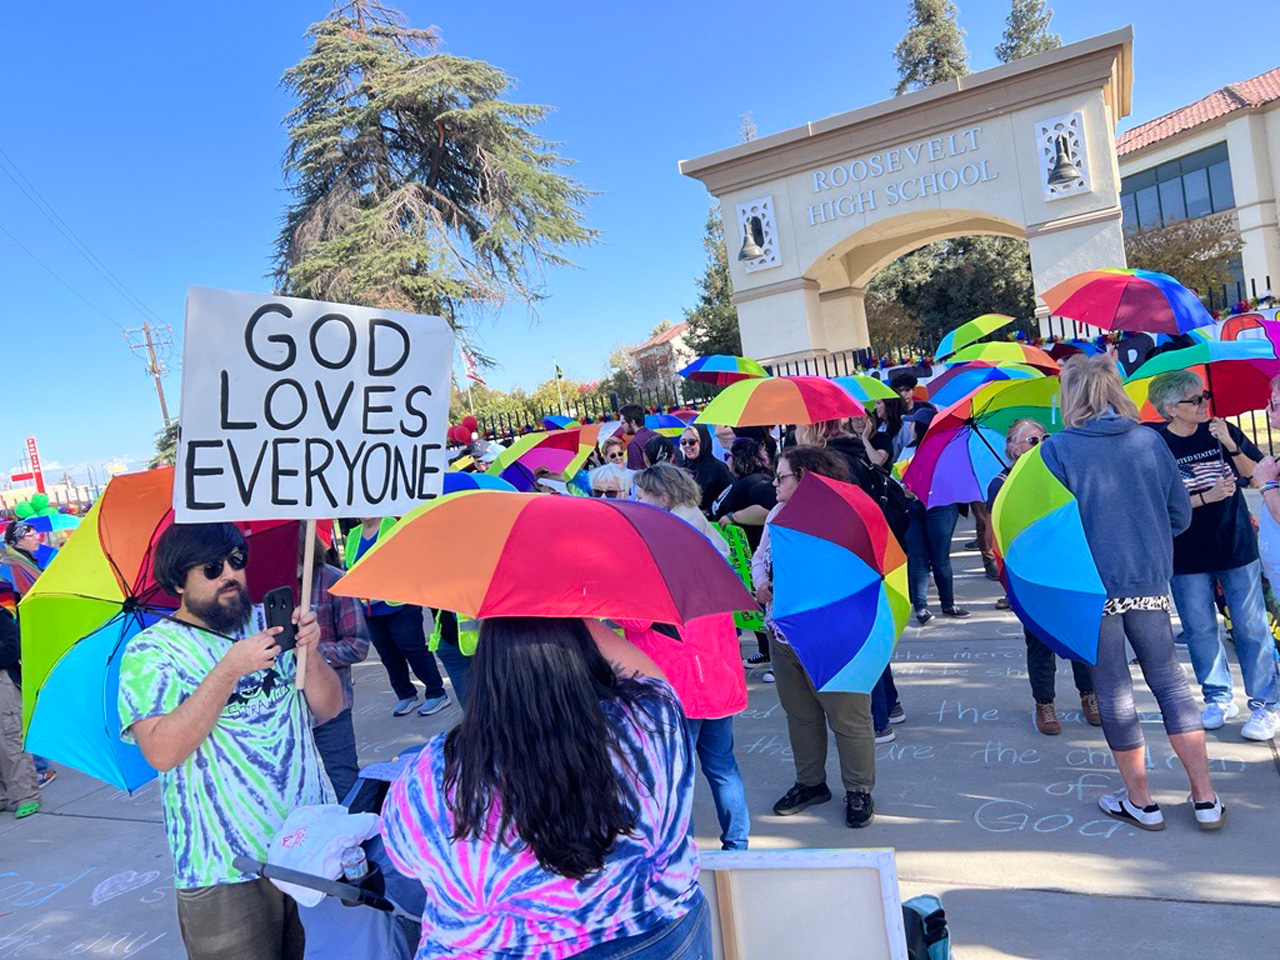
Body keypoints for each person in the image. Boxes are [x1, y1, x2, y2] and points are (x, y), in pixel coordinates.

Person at [380, 617, 710, 959]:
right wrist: (568, 607)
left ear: (484, 673)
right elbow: (647, 676)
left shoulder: (433, 776)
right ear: (585, 651)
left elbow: (404, 862)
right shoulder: (651, 721)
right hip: (663, 934)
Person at [118, 523, 343, 958]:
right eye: (211, 567)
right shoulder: (150, 653)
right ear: (178, 581)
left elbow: (330, 707)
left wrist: (310, 653)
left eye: (237, 561)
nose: (230, 575)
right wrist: (227, 670)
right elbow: (161, 752)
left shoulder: (269, 623)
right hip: (223, 870)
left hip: (312, 845)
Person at [1041, 355, 1222, 830]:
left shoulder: (1056, 450)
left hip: (1092, 587)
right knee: (1169, 682)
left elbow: (1049, 529)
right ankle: (1205, 797)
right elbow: (1180, 516)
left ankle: (1141, 800)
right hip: (1148, 581)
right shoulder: (1149, 441)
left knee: (1114, 688)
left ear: (1071, 396)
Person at [1147, 370, 1277, 741]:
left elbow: (1259, 477)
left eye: (1204, 397)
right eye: (1195, 400)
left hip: (1234, 545)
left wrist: (1231, 445)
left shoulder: (1222, 431)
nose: (1205, 404)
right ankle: (1218, 698)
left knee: (1252, 627)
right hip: (1186, 553)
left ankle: (1265, 704)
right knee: (1200, 628)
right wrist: (1205, 497)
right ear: (1171, 409)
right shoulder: (1156, 444)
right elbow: (1158, 504)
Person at [753, 446, 877, 829]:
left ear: (805, 477)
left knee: (848, 717)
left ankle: (859, 789)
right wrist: (761, 583)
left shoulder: (840, 517)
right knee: (800, 716)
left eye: (782, 476)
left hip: (831, 637)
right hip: (782, 634)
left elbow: (850, 576)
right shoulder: (776, 514)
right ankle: (811, 783)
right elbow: (761, 557)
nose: (774, 484)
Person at [630, 463, 750, 851]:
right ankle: (738, 842)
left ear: (662, 499)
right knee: (722, 766)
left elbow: (636, 618)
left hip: (680, 681)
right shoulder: (709, 540)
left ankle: (684, 847)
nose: (637, 502)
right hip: (717, 674)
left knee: (678, 775)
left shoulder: (663, 550)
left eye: (642, 496)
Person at [988, 419, 1101, 735]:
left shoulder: (1060, 472)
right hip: (1031, 574)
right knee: (1039, 641)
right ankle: (1044, 703)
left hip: (1068, 566)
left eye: (1044, 438)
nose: (1041, 444)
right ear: (1013, 449)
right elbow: (998, 535)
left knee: (1079, 633)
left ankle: (1089, 695)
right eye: (1031, 441)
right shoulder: (1001, 483)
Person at [346, 517, 449, 718]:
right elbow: (349, 566)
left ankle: (437, 692)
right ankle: (406, 695)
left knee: (412, 648)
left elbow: (409, 562)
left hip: (400, 602)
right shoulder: (353, 534)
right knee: (388, 654)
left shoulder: (392, 525)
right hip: (369, 607)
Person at [307, 532, 371, 801]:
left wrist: (311, 652)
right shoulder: (265, 585)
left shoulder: (333, 581)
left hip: (331, 709)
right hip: (285, 713)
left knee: (347, 785)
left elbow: (357, 645)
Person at [0, 585, 39, 819]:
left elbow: (13, 649)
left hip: (4, 681)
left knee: (11, 739)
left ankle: (25, 795)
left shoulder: (2, 616)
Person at [677, 424, 733, 515]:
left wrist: (708, 512)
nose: (687, 445)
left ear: (703, 442)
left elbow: (728, 498)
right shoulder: (681, 467)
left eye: (691, 442)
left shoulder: (718, 468)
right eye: (683, 442)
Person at [621, 403, 659, 471]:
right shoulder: (658, 435)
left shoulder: (633, 444)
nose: (621, 426)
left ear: (632, 422)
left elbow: (634, 474)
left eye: (623, 423)